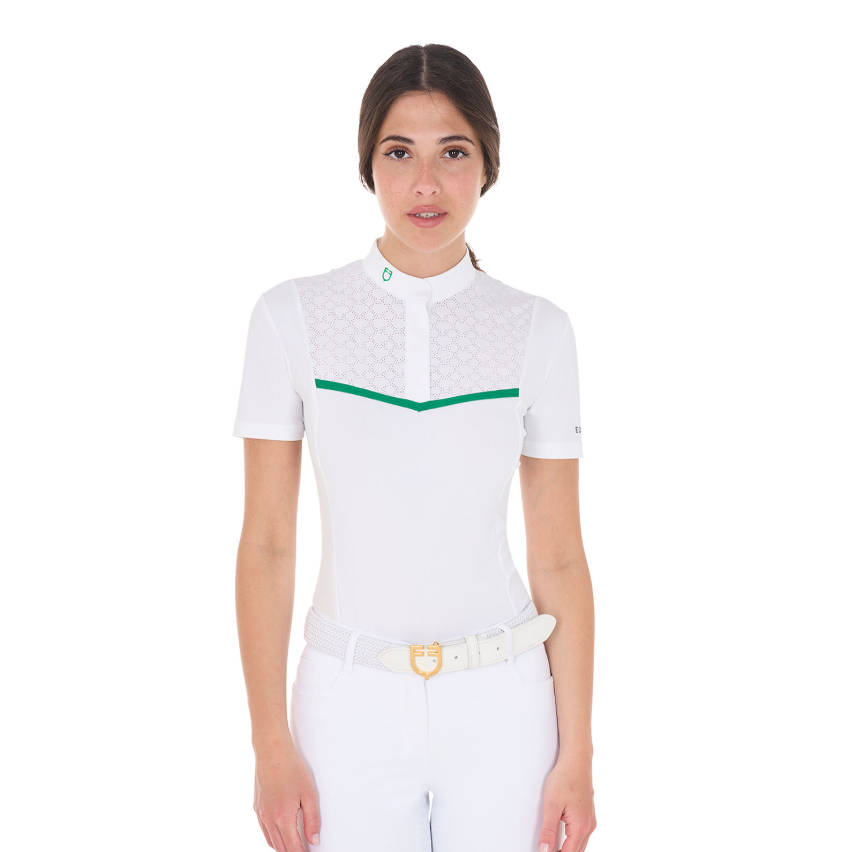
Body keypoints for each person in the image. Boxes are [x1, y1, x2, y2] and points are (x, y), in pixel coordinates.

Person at [232, 43, 596, 852]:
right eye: (399, 153)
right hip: (345, 703)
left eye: (453, 152)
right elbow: (266, 544)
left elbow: (561, 557)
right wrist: (268, 744)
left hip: (504, 706)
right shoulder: (290, 318)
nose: (425, 183)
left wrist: (578, 753)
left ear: (487, 165)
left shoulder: (539, 330)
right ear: (368, 164)